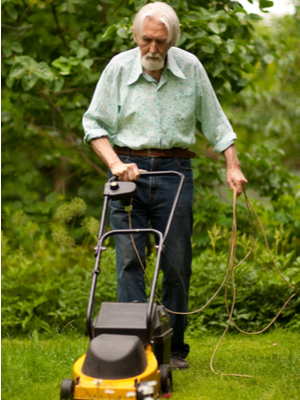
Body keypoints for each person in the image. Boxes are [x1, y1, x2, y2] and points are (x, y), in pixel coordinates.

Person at [82, 2, 247, 369]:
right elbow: (94, 126)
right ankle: (136, 348)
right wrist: (116, 164)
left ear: (172, 39)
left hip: (175, 171)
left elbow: (216, 122)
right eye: (146, 41)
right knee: (128, 260)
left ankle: (174, 349)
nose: (153, 49)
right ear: (135, 36)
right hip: (128, 171)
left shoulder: (189, 67)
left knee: (176, 264)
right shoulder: (118, 68)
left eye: (160, 42)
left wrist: (232, 166)